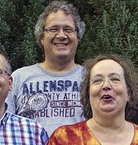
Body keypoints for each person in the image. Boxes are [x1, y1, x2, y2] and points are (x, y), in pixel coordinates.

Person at [7, 0, 85, 134]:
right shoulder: (19, 78)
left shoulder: (91, 78)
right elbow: (4, 125)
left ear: (77, 37)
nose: (61, 35)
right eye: (54, 29)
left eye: (68, 29)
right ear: (41, 38)